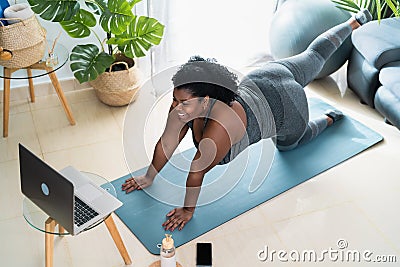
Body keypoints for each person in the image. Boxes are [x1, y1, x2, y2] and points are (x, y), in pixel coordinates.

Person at [122, 10, 372, 231]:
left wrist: (188, 210)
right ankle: (354, 22)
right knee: (313, 56)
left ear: (206, 101)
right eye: (175, 99)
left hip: (288, 107)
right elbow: (167, 143)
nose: (175, 107)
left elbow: (196, 172)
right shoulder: (187, 102)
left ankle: (328, 119)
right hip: (266, 76)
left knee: (290, 145)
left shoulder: (219, 128)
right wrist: (149, 176)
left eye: (182, 103)